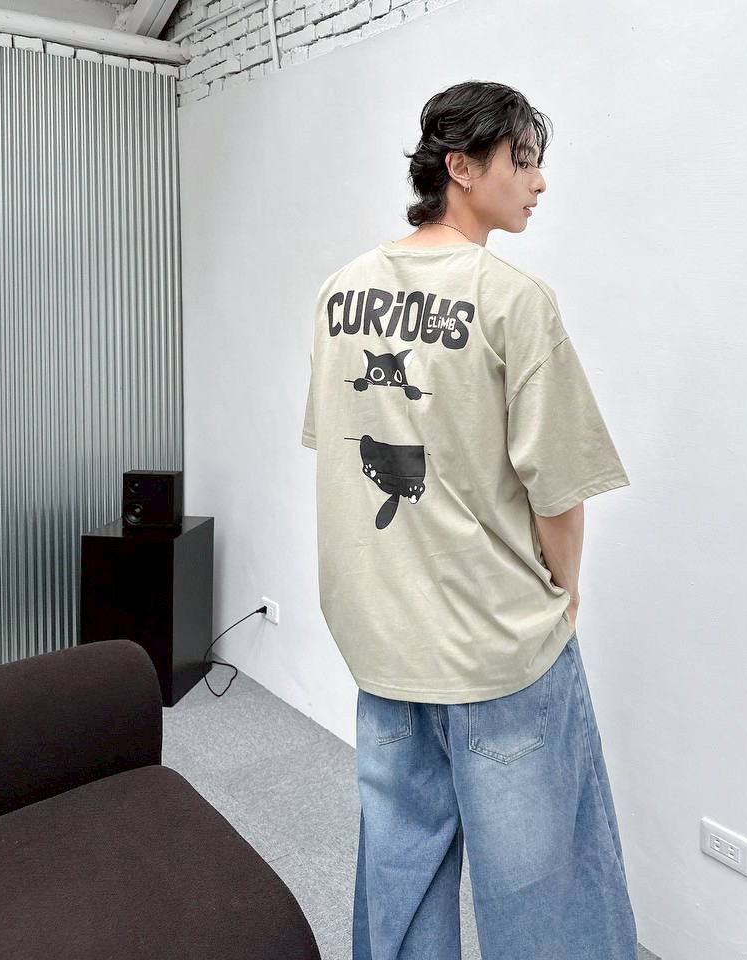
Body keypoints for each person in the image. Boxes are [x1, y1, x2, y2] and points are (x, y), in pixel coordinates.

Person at [301, 80, 638, 960]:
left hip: (384, 641)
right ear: (461, 167)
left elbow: (340, 451)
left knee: (401, 872)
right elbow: (557, 490)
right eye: (522, 160)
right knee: (546, 888)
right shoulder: (512, 299)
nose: (539, 181)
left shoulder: (340, 293)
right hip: (495, 643)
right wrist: (564, 598)